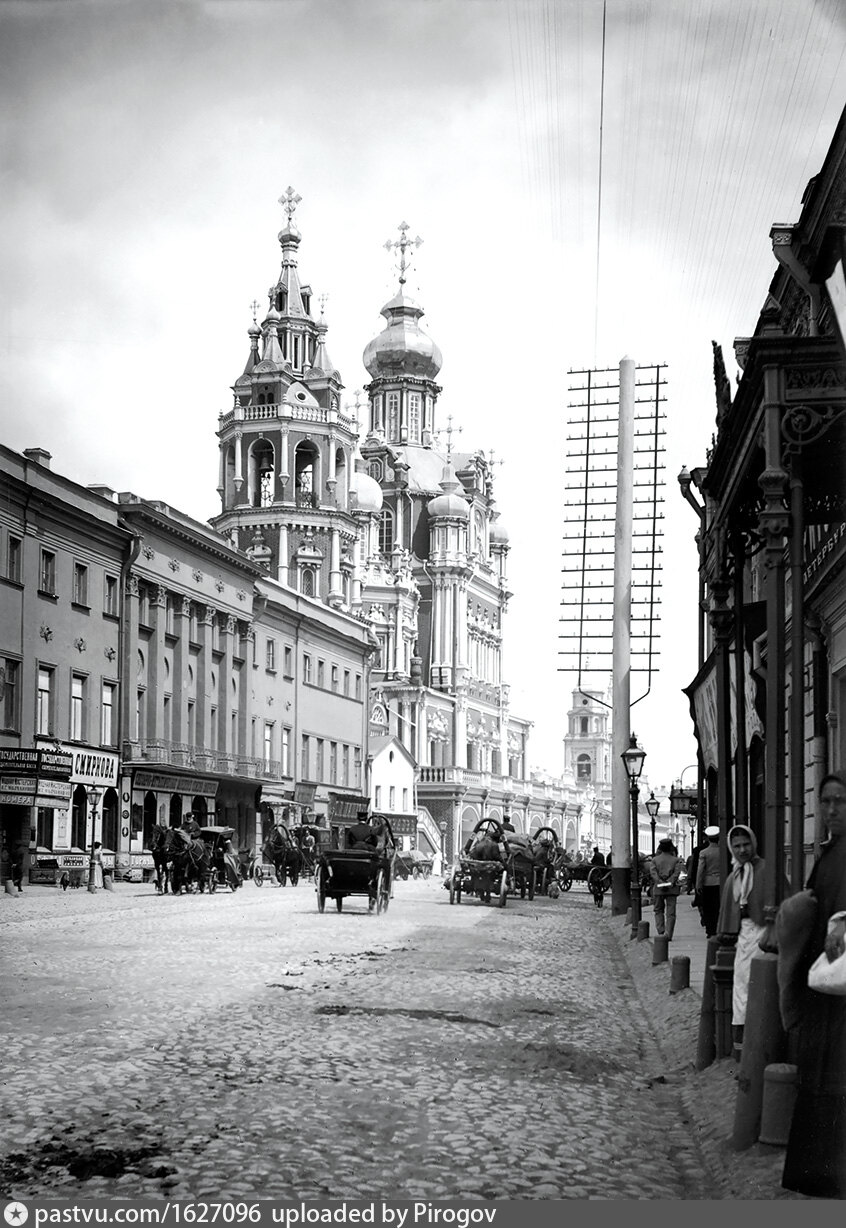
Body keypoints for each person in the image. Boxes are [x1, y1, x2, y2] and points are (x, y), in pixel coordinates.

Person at [780, 773, 846, 1199]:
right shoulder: (830, 852)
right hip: (826, 987)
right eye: (825, 801)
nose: (832, 809)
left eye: (840, 801)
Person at [716, 824, 767, 1044]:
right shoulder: (734, 875)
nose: (742, 850)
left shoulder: (765, 869)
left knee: (757, 983)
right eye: (737, 846)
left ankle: (757, 1034)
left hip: (763, 934)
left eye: (746, 844)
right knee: (742, 983)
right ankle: (741, 1038)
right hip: (744, 936)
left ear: (753, 844)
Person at [649, 838, 684, 939]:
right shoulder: (676, 860)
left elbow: (653, 874)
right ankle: (669, 934)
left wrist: (660, 882)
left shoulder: (655, 860)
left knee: (658, 910)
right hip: (671, 889)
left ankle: (661, 931)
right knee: (671, 913)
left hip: (658, 889)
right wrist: (669, 882)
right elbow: (677, 873)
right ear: (670, 848)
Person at [695, 825, 722, 937]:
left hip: (708, 883)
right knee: (718, 906)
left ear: (708, 838)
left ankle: (710, 930)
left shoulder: (704, 852)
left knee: (708, 908)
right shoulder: (723, 851)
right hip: (721, 882)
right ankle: (718, 927)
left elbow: (701, 870)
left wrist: (698, 885)